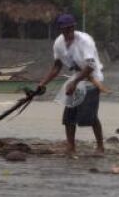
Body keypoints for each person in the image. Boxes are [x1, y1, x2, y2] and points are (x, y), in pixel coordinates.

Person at [38, 14, 106, 156]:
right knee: (69, 115)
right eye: (65, 29)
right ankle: (71, 146)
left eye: (71, 28)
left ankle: (100, 147)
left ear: (74, 27)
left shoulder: (85, 40)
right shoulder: (58, 43)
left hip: (92, 78)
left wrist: (74, 83)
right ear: (61, 30)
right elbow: (57, 66)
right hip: (76, 76)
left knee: (90, 116)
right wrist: (43, 83)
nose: (69, 31)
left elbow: (90, 66)